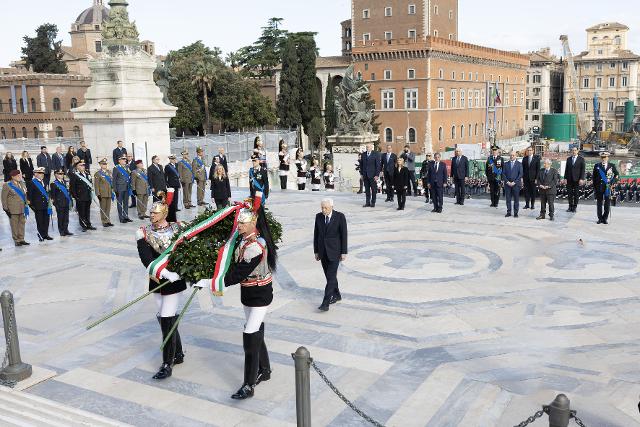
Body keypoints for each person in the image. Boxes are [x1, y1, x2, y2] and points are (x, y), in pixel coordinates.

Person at [213, 204, 277, 399]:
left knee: (249, 334)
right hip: (248, 293)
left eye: (243, 223)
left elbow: (238, 274)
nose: (239, 225)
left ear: (253, 223)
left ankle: (248, 385)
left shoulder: (256, 246)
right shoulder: (242, 241)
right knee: (255, 330)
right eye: (238, 222)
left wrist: (212, 282)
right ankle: (264, 370)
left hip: (260, 294)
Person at [136, 191, 186, 380]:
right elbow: (145, 258)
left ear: (164, 213)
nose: (152, 215)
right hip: (158, 278)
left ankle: (167, 362)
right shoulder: (143, 232)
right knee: (163, 316)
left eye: (155, 213)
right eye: (151, 213)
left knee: (166, 318)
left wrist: (180, 272)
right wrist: (164, 273)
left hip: (175, 280)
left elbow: (186, 251)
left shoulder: (178, 228)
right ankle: (178, 352)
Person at [313, 197, 348, 313]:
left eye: (326, 208)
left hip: (335, 252)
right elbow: (316, 234)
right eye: (322, 207)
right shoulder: (318, 217)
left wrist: (344, 252)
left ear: (332, 207)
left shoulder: (340, 217)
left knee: (331, 277)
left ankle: (325, 303)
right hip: (323, 252)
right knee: (329, 277)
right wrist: (316, 251)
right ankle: (337, 295)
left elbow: (344, 235)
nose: (323, 210)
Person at [1, 170, 30, 246]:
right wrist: (6, 209)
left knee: (21, 224)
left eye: (20, 175)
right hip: (13, 209)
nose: (19, 177)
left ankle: (21, 239)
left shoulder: (22, 184)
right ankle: (16, 240)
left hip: (22, 208)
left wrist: (26, 204)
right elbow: (4, 198)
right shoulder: (7, 185)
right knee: (14, 225)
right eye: (17, 176)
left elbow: (25, 195)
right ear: (13, 177)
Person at [27, 167, 53, 241]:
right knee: (40, 221)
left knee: (46, 220)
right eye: (40, 173)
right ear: (35, 174)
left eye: (42, 173)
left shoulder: (45, 181)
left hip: (46, 205)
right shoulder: (32, 183)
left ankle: (46, 234)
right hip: (38, 206)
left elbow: (48, 192)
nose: (42, 174)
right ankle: (41, 235)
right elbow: (30, 195)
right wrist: (32, 206)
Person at [593, 152, 620, 224]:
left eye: (605, 157)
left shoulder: (612, 166)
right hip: (599, 187)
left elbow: (617, 175)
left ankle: (605, 218)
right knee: (599, 203)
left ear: (608, 157)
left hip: (608, 187)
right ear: (600, 158)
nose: (603, 158)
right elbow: (594, 177)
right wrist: (595, 188)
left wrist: (612, 182)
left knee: (607, 203)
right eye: (602, 157)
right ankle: (600, 218)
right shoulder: (597, 166)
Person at [70, 161, 96, 231]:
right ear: (77, 167)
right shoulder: (74, 175)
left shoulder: (87, 174)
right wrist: (76, 197)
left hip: (87, 196)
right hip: (80, 197)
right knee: (81, 212)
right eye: (81, 165)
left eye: (83, 165)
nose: (83, 166)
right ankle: (83, 225)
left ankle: (88, 224)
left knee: (87, 211)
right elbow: (72, 187)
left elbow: (90, 184)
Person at [50, 169, 73, 236]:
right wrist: (56, 204)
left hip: (66, 202)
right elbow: (53, 195)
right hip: (59, 203)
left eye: (62, 173)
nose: (61, 175)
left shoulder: (65, 182)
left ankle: (66, 230)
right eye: (60, 174)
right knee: (60, 218)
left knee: (66, 217)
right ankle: (61, 231)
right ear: (56, 174)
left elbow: (68, 192)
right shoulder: (53, 184)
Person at [563, 146, 586, 213]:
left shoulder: (581, 159)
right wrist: (565, 178)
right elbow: (566, 169)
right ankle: (570, 206)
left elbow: (583, 170)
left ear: (577, 151)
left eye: (575, 150)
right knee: (569, 194)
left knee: (576, 194)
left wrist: (582, 178)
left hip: (577, 179)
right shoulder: (568, 159)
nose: (574, 151)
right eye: (573, 150)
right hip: (569, 179)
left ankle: (575, 207)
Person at [94, 158, 115, 227]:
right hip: (102, 194)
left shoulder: (109, 172)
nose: (105, 165)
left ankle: (108, 220)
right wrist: (98, 194)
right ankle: (104, 221)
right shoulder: (98, 174)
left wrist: (113, 191)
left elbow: (111, 183)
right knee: (103, 208)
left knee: (108, 208)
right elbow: (96, 185)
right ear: (100, 165)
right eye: (103, 164)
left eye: (105, 164)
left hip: (109, 193)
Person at [359, 143, 381, 208]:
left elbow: (378, 165)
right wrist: (362, 174)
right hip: (365, 175)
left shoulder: (376, 154)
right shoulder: (363, 154)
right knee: (367, 190)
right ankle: (367, 202)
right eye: (366, 147)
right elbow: (361, 165)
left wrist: (377, 175)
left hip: (373, 175)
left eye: (368, 147)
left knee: (374, 190)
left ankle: (373, 202)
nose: (367, 148)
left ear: (372, 148)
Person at [502, 151, 523, 218]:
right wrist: (507, 182)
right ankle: (509, 212)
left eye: (513, 155)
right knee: (508, 199)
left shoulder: (519, 164)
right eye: (510, 155)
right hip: (507, 184)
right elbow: (503, 174)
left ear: (516, 156)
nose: (512, 156)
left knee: (516, 199)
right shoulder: (506, 164)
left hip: (516, 184)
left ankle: (516, 213)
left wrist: (514, 182)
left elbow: (521, 174)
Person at [113, 156, 132, 223]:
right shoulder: (116, 168)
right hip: (119, 189)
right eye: (123, 159)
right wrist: (115, 190)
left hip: (126, 188)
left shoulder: (127, 168)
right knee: (120, 203)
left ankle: (126, 216)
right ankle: (121, 218)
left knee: (126, 203)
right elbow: (114, 180)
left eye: (125, 159)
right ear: (119, 160)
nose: (125, 160)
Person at [164, 155, 181, 221]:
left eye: (174, 159)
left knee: (176, 196)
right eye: (172, 159)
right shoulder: (167, 166)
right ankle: (172, 208)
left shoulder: (176, 165)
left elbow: (178, 175)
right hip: (171, 184)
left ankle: (176, 207)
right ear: (170, 160)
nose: (174, 160)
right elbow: (165, 176)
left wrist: (179, 184)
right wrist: (167, 184)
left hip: (176, 183)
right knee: (172, 197)